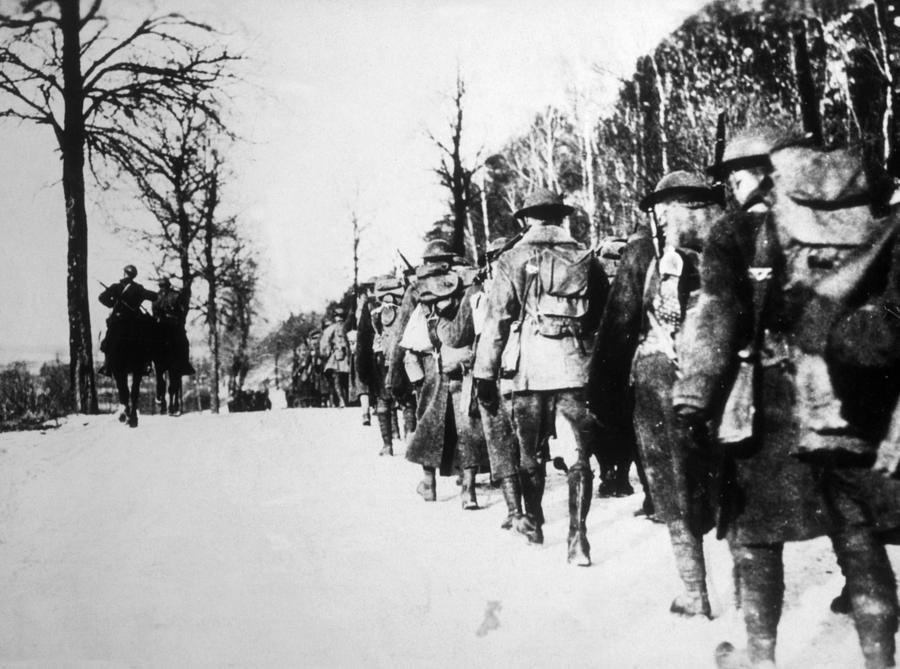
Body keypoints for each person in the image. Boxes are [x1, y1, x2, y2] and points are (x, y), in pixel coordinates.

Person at [672, 129, 836, 667]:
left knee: (757, 533)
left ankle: (760, 657)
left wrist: (694, 395)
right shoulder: (838, 219)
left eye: (735, 176)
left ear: (756, 173)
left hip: (768, 397)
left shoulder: (735, 230)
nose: (733, 186)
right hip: (839, 393)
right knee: (853, 526)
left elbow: (718, 318)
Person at [594, 171, 724, 616]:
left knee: (672, 482)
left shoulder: (646, 249)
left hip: (661, 378)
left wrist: (605, 394)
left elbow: (621, 321)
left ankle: (694, 591)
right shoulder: (735, 235)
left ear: (668, 206)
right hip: (726, 375)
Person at [473, 189, 609, 565]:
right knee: (579, 455)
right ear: (560, 218)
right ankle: (578, 539)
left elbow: (498, 320)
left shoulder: (513, 258)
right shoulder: (586, 257)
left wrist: (485, 371)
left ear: (526, 220)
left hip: (531, 369)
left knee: (530, 453)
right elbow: (601, 314)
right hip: (575, 367)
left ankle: (532, 520)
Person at [400, 256, 487, 509]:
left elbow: (412, 344)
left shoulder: (423, 297)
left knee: (429, 425)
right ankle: (469, 492)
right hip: (465, 366)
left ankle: (429, 485)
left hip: (433, 368)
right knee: (468, 426)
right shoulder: (467, 290)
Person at [98, 264, 157, 427]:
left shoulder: (116, 287)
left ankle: (108, 366)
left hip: (119, 323)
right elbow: (154, 296)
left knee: (108, 343)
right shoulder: (138, 288)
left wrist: (114, 303)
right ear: (135, 275)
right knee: (147, 340)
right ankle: (146, 364)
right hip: (135, 324)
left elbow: (101, 298)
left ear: (124, 273)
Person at [357, 274, 407, 456]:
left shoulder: (370, 307)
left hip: (379, 360)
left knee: (382, 398)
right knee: (408, 399)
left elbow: (362, 339)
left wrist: (362, 370)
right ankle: (409, 438)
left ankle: (387, 445)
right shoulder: (405, 302)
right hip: (403, 356)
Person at [152, 277, 194, 416]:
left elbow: (155, 314)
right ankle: (184, 363)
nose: (162, 289)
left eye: (162, 286)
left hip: (165, 328)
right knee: (183, 344)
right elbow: (182, 312)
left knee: (182, 343)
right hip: (171, 328)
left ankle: (165, 399)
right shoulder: (170, 296)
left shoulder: (158, 297)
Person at [319, 306, 351, 407]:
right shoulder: (331, 329)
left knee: (346, 378)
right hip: (337, 356)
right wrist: (327, 352)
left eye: (341, 316)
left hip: (347, 355)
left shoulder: (348, 327)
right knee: (336, 378)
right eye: (337, 316)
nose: (340, 318)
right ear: (334, 317)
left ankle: (347, 399)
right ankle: (341, 399)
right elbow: (324, 343)